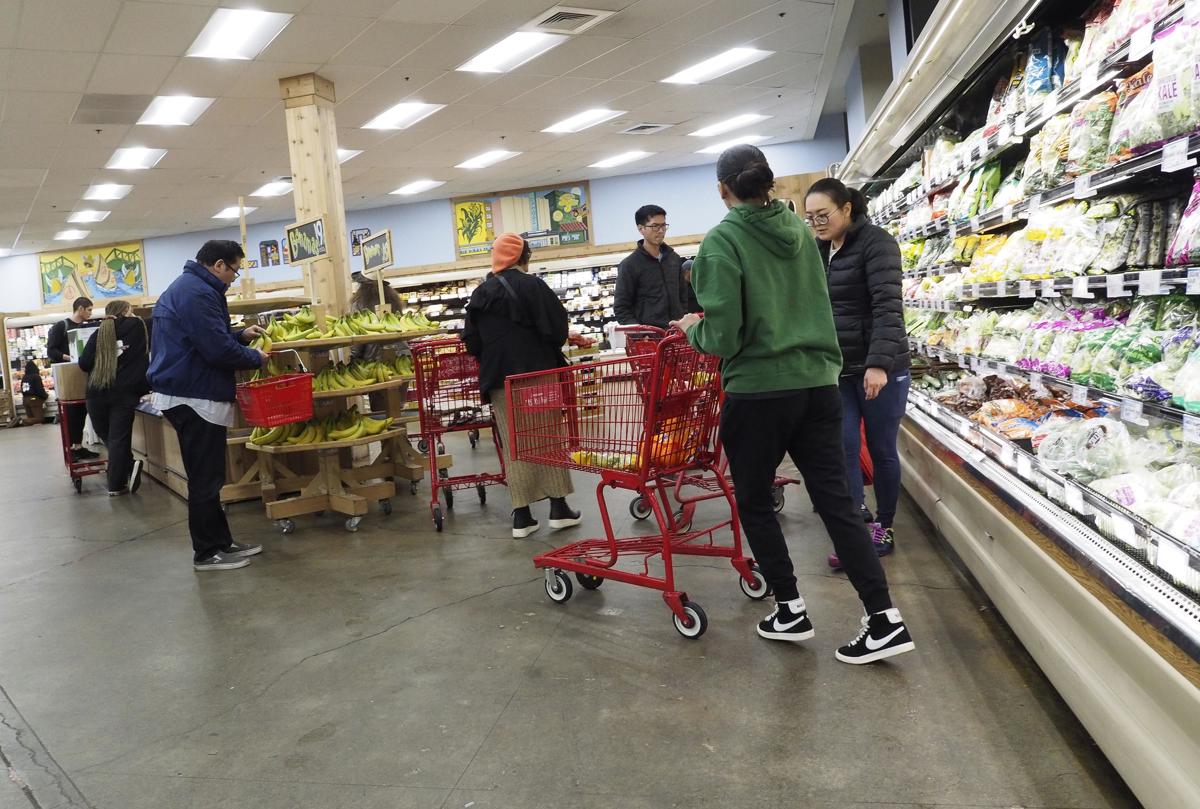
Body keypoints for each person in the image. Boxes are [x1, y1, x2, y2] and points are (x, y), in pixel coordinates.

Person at [671, 145, 915, 665]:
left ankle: (790, 609)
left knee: (756, 502)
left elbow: (726, 335)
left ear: (722, 190)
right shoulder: (803, 237)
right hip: (819, 387)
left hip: (758, 392)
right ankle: (883, 619)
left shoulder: (721, 243)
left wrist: (695, 331)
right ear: (768, 184)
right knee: (837, 503)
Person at [806, 178, 910, 571]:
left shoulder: (878, 243)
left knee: (882, 450)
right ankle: (855, 526)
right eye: (810, 218)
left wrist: (879, 363)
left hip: (881, 367)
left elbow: (887, 306)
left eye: (823, 215)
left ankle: (884, 525)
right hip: (838, 368)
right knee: (843, 446)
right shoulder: (817, 251)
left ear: (847, 209)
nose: (817, 223)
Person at [147, 240, 269, 571]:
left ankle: (221, 542)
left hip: (191, 391)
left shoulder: (192, 288)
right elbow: (214, 350)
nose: (234, 277)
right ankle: (206, 552)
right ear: (218, 265)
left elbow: (205, 337)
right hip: (193, 395)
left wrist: (240, 335)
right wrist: (253, 357)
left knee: (210, 476)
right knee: (205, 478)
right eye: (234, 270)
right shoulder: (197, 293)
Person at [463, 233, 583, 539]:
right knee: (546, 437)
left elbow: (472, 342)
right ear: (522, 258)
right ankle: (558, 509)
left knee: (514, 441)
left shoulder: (480, 294)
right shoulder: (533, 286)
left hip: (501, 380)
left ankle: (522, 517)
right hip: (538, 373)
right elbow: (557, 329)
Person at [79, 300, 150, 496]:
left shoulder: (100, 332)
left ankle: (128, 468)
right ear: (127, 311)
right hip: (124, 393)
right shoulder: (137, 326)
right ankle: (116, 484)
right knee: (118, 439)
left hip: (95, 393)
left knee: (110, 438)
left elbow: (84, 364)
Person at [613, 205, 699, 328]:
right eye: (655, 226)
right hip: (649, 338)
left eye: (663, 225)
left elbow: (682, 295)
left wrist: (682, 317)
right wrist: (640, 334)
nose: (660, 230)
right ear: (641, 229)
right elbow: (621, 307)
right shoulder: (629, 265)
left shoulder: (674, 259)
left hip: (677, 333)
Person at [47, 296, 99, 461]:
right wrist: (69, 357)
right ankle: (70, 449)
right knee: (70, 414)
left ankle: (78, 446)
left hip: (84, 374)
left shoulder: (87, 327)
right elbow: (51, 351)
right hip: (68, 376)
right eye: (89, 309)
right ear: (81, 308)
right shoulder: (61, 326)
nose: (91, 313)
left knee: (83, 410)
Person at [20, 361, 48, 426]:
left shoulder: (24, 377)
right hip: (34, 400)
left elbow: (21, 389)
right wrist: (45, 396)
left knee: (31, 418)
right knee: (39, 419)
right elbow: (39, 390)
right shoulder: (36, 376)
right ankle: (21, 421)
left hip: (25, 400)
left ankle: (24, 421)